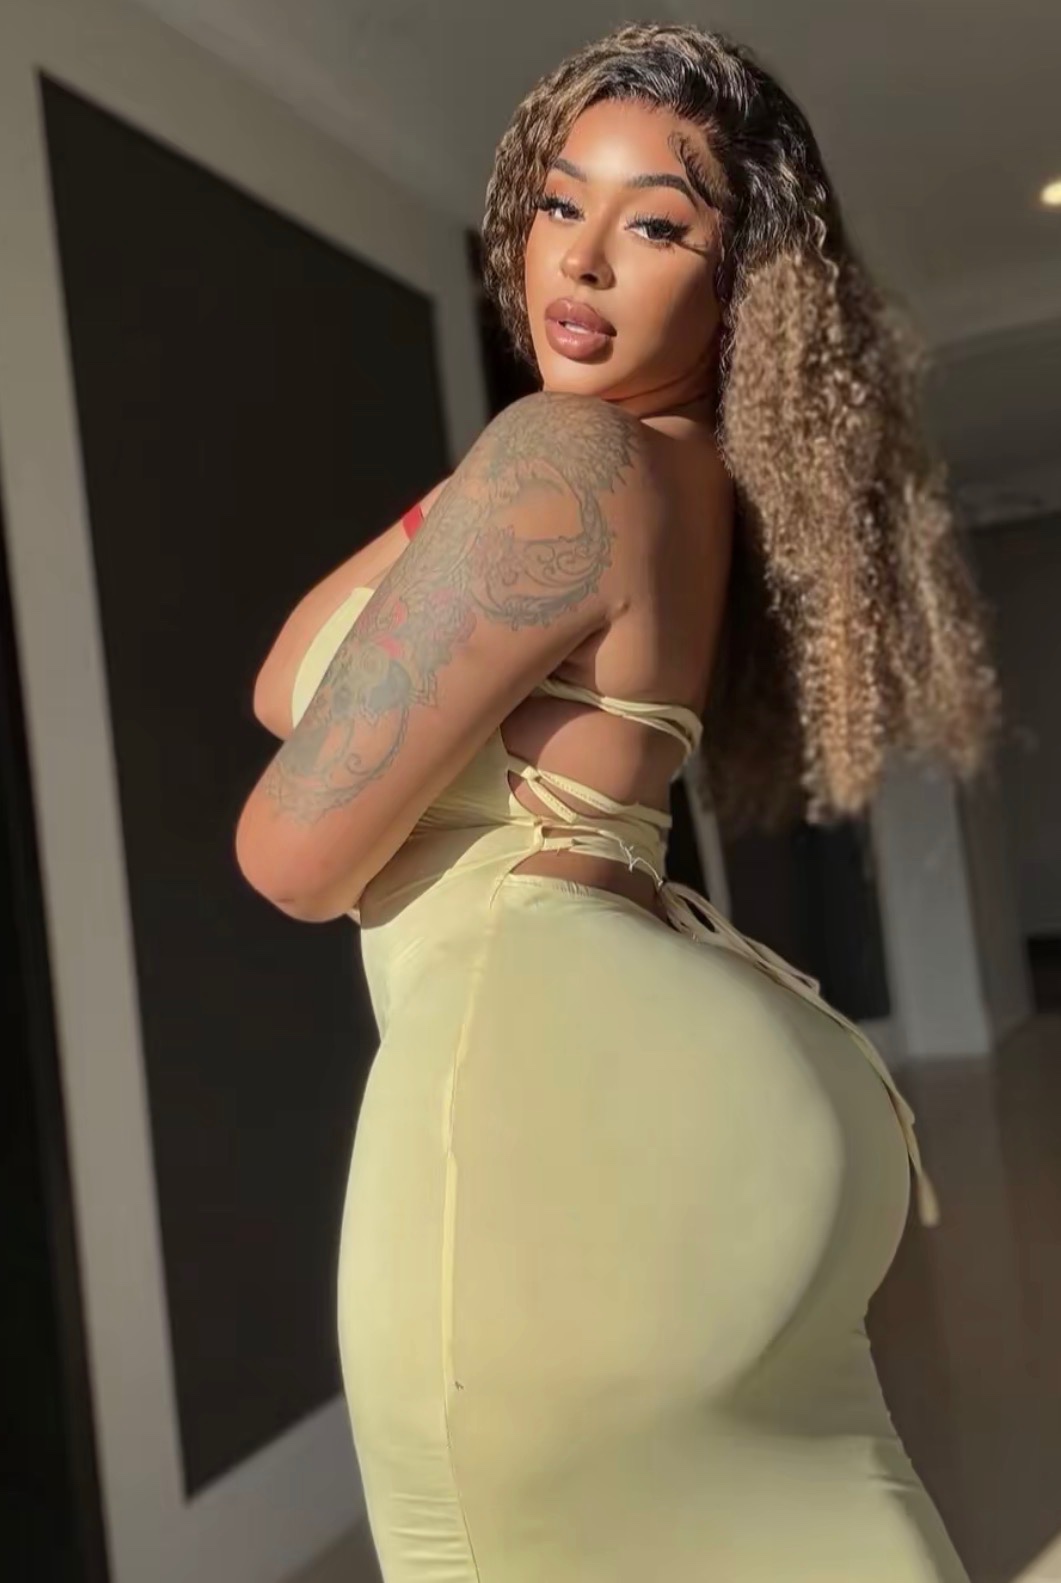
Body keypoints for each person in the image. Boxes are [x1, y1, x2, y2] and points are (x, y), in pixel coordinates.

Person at [236, 22, 998, 1582]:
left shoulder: (567, 463)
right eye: (556, 202)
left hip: (537, 1098)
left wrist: (507, 472)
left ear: (741, 285)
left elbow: (291, 852)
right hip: (703, 1083)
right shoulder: (667, 477)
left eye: (656, 225)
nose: (578, 260)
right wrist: (473, 494)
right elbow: (284, 680)